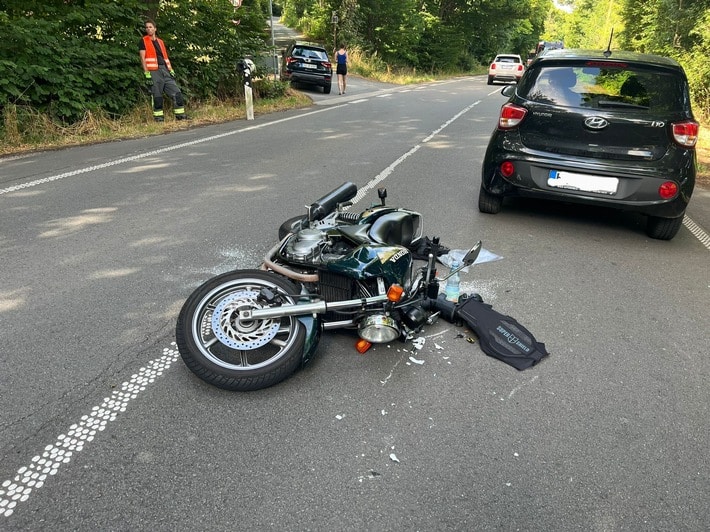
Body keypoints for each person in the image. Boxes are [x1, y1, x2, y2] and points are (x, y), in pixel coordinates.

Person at [139, 19, 188, 122]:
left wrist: (171, 70)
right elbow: (143, 58)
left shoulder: (161, 42)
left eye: (150, 27)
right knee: (157, 95)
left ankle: (180, 116)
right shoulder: (143, 41)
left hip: (165, 70)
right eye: (147, 27)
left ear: (155, 29)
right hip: (153, 71)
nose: (148, 29)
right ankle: (159, 118)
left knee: (176, 92)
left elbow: (165, 57)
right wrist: (147, 73)